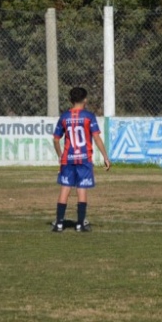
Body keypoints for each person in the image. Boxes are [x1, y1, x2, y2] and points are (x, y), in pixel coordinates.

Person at [51, 87, 110, 233]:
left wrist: (60, 156)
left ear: (71, 100)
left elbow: (56, 139)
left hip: (68, 159)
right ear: (85, 99)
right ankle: (80, 224)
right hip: (84, 158)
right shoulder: (89, 116)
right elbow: (96, 138)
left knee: (65, 188)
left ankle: (59, 224)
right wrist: (105, 157)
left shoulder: (64, 117)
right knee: (81, 189)